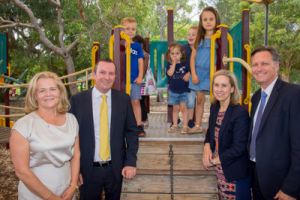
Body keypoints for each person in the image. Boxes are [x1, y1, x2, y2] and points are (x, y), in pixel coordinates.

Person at [69, 58, 139, 200]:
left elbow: (131, 132)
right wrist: (74, 171)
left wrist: (130, 162)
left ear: (115, 76)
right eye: (102, 72)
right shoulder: (77, 100)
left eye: (111, 73)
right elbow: (70, 137)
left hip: (115, 169)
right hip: (87, 170)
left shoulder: (124, 99)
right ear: (93, 75)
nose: (107, 77)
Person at [10, 72, 80, 200]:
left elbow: (76, 155)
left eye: (52, 89)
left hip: (66, 190)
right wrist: (51, 197)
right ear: (35, 95)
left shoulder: (71, 120)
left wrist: (73, 185)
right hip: (35, 192)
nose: (48, 94)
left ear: (60, 92)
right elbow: (21, 171)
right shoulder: (23, 126)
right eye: (42, 90)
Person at [249, 46, 300, 200]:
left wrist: (291, 188)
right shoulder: (257, 96)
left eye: (264, 63)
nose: (259, 69)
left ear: (276, 66)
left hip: (281, 183)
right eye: (255, 64)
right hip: (256, 177)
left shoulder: (293, 94)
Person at [203, 70, 251, 199]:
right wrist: (206, 148)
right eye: (216, 85)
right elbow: (210, 133)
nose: (219, 89)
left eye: (224, 85)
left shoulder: (240, 113)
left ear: (232, 88)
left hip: (234, 173)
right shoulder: (214, 107)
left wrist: (214, 161)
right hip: (220, 171)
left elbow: (239, 148)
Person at [188, 6, 220, 133]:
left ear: (216, 20)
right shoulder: (199, 38)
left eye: (211, 19)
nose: (208, 22)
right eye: (205, 19)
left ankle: (212, 126)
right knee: (200, 100)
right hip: (198, 72)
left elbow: (222, 56)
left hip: (211, 73)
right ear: (201, 22)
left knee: (214, 101)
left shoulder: (219, 38)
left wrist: (215, 71)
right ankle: (198, 125)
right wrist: (194, 74)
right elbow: (193, 58)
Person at [121, 17, 146, 137]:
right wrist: (123, 49)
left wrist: (141, 76)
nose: (130, 31)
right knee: (123, 102)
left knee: (135, 101)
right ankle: (123, 126)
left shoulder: (137, 46)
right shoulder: (119, 44)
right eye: (127, 28)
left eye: (133, 29)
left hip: (135, 79)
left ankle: (138, 125)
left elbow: (141, 62)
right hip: (122, 80)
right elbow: (117, 60)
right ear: (122, 30)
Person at [132, 35, 157, 130]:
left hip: (144, 81)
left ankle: (144, 120)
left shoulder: (145, 55)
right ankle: (142, 120)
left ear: (141, 45)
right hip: (140, 80)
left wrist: (140, 78)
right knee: (138, 100)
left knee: (140, 101)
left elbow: (144, 68)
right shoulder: (137, 55)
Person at [165, 42, 190, 134]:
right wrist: (174, 63)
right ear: (169, 55)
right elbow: (170, 73)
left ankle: (185, 125)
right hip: (173, 91)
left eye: (177, 53)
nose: (175, 55)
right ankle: (175, 125)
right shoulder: (169, 65)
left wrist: (188, 74)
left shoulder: (185, 65)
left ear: (181, 54)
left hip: (183, 91)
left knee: (183, 108)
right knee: (175, 109)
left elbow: (189, 73)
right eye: (172, 53)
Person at [182, 25, 198, 128]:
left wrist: (191, 74)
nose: (190, 36)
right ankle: (184, 120)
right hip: (184, 78)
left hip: (194, 78)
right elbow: (182, 61)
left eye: (193, 34)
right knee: (183, 100)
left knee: (191, 100)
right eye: (189, 34)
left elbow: (198, 64)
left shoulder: (199, 49)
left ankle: (190, 120)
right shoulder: (185, 47)